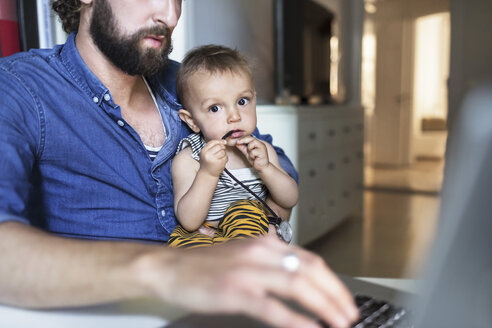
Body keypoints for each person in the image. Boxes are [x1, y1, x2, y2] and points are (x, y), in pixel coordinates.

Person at [0, 1, 358, 327]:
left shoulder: (186, 80)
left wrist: (258, 216)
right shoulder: (18, 88)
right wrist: (174, 269)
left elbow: (273, 163)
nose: (170, 16)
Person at [168, 45, 299, 248]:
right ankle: (209, 274)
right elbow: (189, 221)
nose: (235, 116)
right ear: (191, 120)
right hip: (203, 235)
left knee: (245, 210)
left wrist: (266, 168)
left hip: (248, 235)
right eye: (215, 108)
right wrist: (208, 173)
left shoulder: (262, 151)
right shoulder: (189, 159)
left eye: (242, 101)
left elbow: (290, 199)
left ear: (254, 99)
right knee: (180, 241)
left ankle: (236, 264)